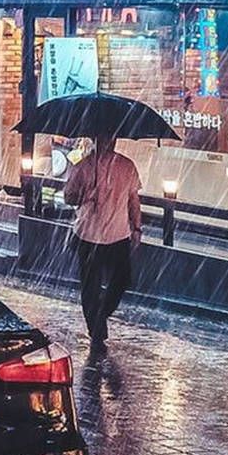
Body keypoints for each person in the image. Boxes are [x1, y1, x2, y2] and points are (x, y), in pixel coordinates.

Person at [62, 133, 143, 350]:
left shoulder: (125, 166)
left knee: (118, 280)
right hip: (91, 233)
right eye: (106, 138)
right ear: (97, 140)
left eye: (111, 138)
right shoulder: (85, 167)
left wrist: (136, 226)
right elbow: (68, 197)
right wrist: (87, 194)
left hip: (114, 233)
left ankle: (99, 316)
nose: (109, 142)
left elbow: (133, 199)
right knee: (92, 284)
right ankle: (97, 327)